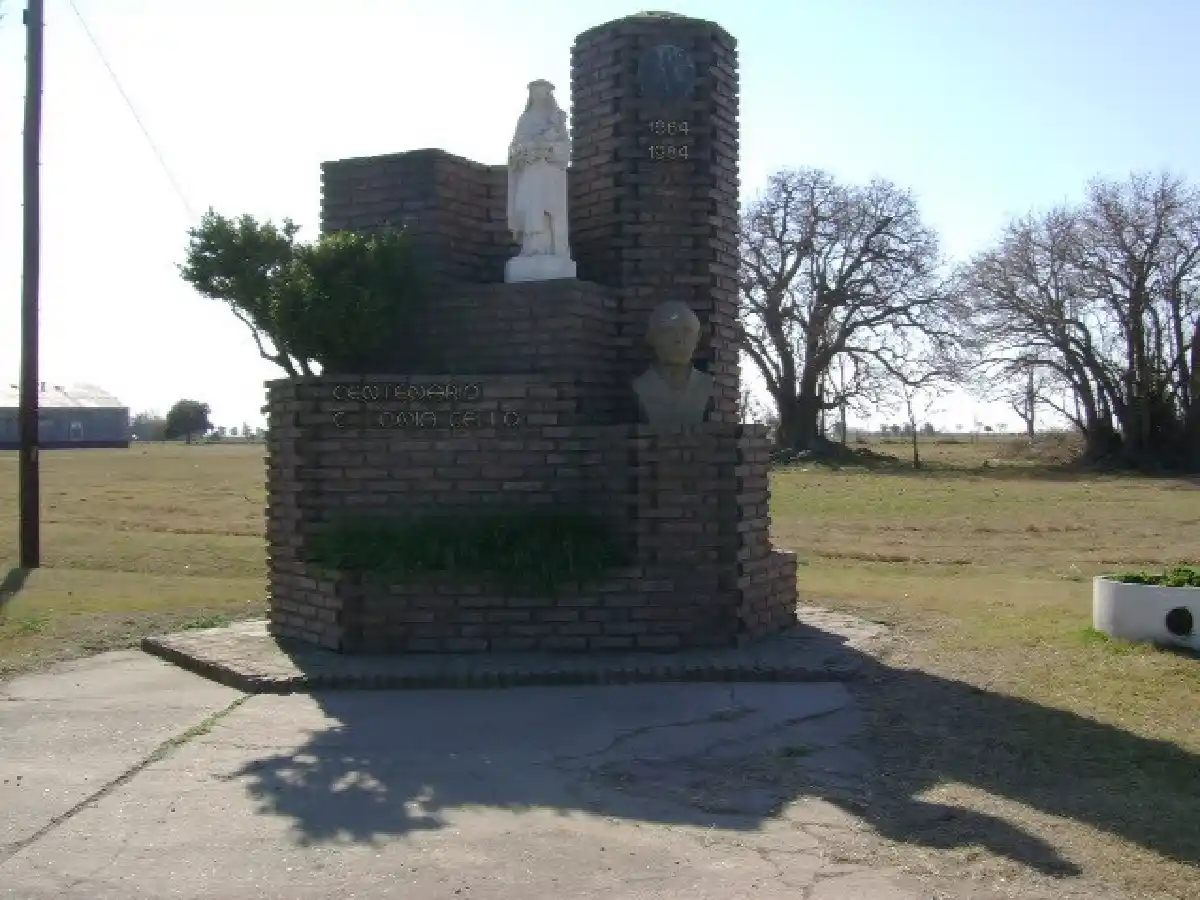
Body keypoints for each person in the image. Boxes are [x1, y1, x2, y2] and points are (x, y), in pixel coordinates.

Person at [632, 301, 714, 426]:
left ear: (698, 337)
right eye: (668, 331)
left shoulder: (706, 385)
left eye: (686, 331)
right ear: (651, 337)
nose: (678, 339)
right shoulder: (641, 386)